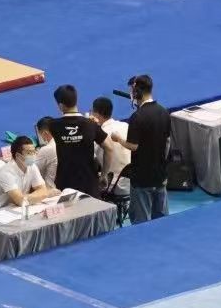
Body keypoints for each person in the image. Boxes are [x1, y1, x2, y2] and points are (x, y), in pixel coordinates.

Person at [117, 75, 171, 222]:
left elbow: (133, 146)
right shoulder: (164, 112)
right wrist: (162, 164)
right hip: (160, 175)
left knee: (141, 222)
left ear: (136, 92)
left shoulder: (137, 117)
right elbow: (167, 142)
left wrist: (119, 139)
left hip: (142, 178)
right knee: (162, 219)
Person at [49, 85, 107, 196]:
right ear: (76, 101)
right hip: (89, 182)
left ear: (60, 106)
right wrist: (104, 174)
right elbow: (110, 148)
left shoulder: (53, 125)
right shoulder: (90, 124)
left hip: (66, 183)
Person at [0, 135, 54, 210]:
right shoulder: (6, 172)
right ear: (18, 156)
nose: (33, 155)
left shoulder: (32, 166)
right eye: (29, 153)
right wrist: (37, 196)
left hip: (17, 208)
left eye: (34, 151)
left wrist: (26, 198)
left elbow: (43, 191)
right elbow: (20, 201)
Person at [89, 96, 130, 188]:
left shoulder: (98, 135)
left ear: (96, 114)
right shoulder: (126, 126)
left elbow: (91, 160)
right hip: (131, 184)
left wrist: (90, 127)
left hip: (110, 185)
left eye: (92, 111)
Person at [31, 116, 59, 184]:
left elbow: (31, 169)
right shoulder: (66, 143)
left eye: (40, 134)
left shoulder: (47, 149)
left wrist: (29, 155)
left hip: (51, 188)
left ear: (45, 133)